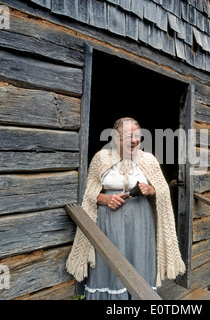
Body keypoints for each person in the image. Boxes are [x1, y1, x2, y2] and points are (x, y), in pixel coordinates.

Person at [66, 117, 185, 299]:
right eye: (130, 136)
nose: (136, 140)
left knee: (139, 259)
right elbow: (89, 195)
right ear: (115, 138)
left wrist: (150, 189)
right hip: (108, 223)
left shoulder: (148, 160)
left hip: (141, 222)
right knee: (108, 261)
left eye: (138, 136)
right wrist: (105, 199)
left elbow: (162, 190)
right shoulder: (101, 158)